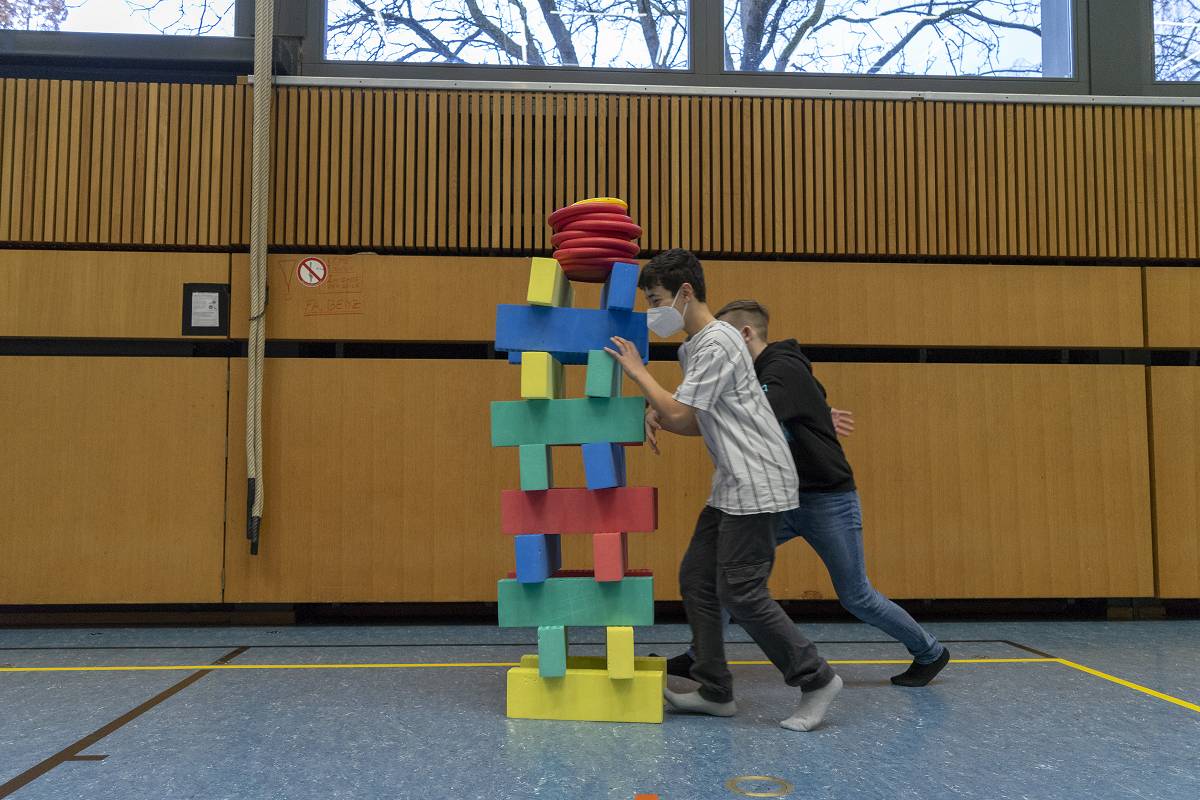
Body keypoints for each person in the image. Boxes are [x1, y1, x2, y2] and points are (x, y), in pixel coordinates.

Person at [604, 249, 842, 732]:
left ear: (686, 292)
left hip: (758, 480)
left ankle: (816, 679)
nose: (653, 312)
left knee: (742, 591)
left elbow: (679, 411)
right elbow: (694, 419)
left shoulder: (718, 342)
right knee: (697, 577)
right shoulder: (693, 348)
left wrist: (639, 374)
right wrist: (658, 415)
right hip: (733, 482)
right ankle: (714, 690)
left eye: (657, 300)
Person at [656, 299, 950, 688]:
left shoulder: (783, 367)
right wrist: (820, 412)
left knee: (856, 595)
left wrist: (664, 408)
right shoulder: (756, 374)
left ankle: (930, 651)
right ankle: (701, 656)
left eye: (723, 334)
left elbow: (749, 414)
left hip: (826, 501)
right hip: (777, 499)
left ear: (745, 334)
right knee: (724, 573)